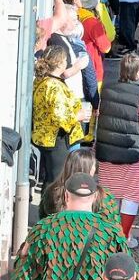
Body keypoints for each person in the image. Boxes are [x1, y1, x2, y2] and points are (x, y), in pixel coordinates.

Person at [7, 173, 128, 280]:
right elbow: (128, 277)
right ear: (95, 196)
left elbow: (25, 275)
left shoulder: (44, 228)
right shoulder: (111, 232)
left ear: (65, 195)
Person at [95, 52, 139, 244]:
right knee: (131, 195)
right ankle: (123, 237)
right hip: (132, 153)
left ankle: (107, 235)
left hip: (107, 150)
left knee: (110, 195)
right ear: (138, 72)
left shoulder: (107, 89)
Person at [32, 46, 87, 185]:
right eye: (65, 59)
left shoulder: (43, 80)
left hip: (46, 137)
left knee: (51, 180)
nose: (66, 61)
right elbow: (60, 117)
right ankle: (54, 206)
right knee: (57, 182)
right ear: (59, 63)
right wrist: (78, 116)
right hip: (56, 139)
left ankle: (47, 206)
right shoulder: (53, 86)